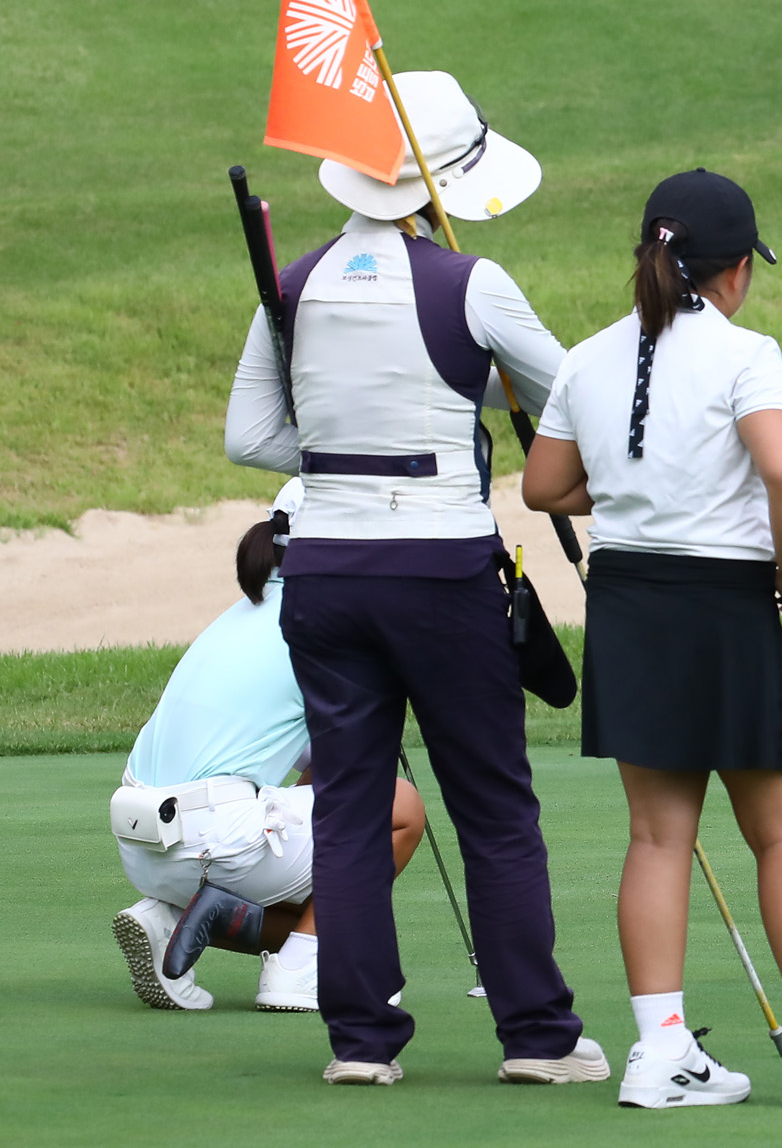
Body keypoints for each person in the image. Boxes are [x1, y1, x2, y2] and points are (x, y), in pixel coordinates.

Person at [225, 71, 604, 1086]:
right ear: (435, 185)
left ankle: (359, 1043)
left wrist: (348, 440)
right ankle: (537, 1036)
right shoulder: (471, 282)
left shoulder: (294, 283)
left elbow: (251, 435)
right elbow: (570, 396)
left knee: (348, 805)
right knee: (492, 804)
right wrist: (449, 404)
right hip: (442, 573)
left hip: (327, 577)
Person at [522, 168, 782, 1110]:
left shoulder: (586, 357)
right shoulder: (746, 353)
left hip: (626, 602)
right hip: (727, 605)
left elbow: (544, 486)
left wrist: (626, 494)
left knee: (657, 836)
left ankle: (661, 1051)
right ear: (733, 271)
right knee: (781, 832)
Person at [111, 478, 427, 1013]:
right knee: (399, 810)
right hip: (211, 843)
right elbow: (357, 772)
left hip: (142, 843)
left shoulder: (239, 613)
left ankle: (169, 918)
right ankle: (302, 965)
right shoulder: (327, 628)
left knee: (329, 836)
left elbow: (322, 775)